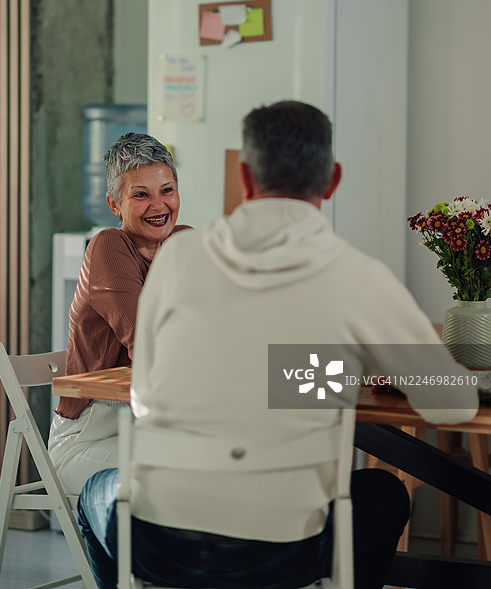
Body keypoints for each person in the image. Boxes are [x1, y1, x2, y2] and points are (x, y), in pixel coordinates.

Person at [77, 101, 478, 589]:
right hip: (277, 556)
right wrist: (333, 374)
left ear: (245, 178)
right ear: (332, 180)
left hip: (161, 544)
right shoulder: (358, 275)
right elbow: (452, 400)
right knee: (386, 494)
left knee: (96, 494)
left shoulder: (179, 256)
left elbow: (148, 393)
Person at [48, 132, 190, 495]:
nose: (158, 205)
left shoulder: (183, 244)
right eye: (140, 194)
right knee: (200, 461)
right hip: (89, 440)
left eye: (167, 190)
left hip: (151, 425)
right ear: (115, 204)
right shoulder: (108, 246)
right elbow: (150, 346)